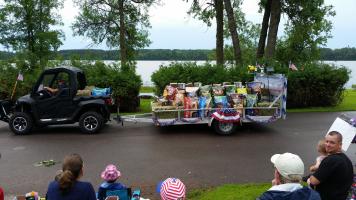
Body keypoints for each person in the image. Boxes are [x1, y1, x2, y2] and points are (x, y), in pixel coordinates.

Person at [308, 131, 354, 200]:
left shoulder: (330, 160)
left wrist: (310, 178)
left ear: (340, 145)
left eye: (332, 142)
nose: (328, 144)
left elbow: (313, 181)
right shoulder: (346, 159)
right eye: (327, 141)